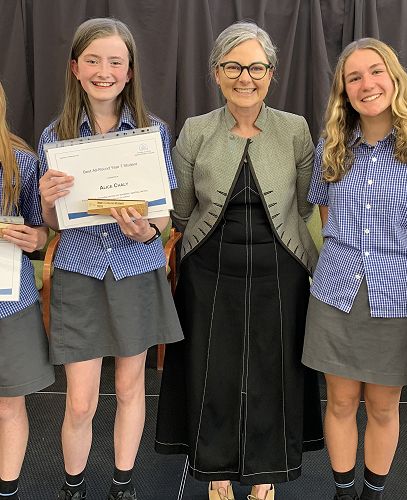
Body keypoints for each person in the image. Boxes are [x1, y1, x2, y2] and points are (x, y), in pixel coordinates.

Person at [155, 21, 323, 500]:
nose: (244, 76)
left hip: (280, 268)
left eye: (255, 66)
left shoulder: (295, 129)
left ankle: (266, 469)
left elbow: (306, 205)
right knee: (214, 370)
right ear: (216, 72)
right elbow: (182, 210)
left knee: (274, 369)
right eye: (233, 65)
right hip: (208, 270)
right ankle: (216, 472)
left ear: (271, 73)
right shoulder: (196, 131)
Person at [37, 18, 183, 500]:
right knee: (79, 402)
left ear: (130, 71)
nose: (105, 71)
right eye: (94, 61)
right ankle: (72, 488)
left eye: (115, 62)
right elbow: (54, 225)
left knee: (129, 388)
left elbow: (164, 216)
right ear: (75, 68)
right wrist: (46, 198)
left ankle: (123, 486)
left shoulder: (152, 133)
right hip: (80, 274)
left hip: (136, 271)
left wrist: (148, 230)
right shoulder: (53, 137)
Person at [302, 38, 407, 500]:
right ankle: (344, 492)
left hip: (396, 298)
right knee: (341, 401)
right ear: (344, 90)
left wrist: (400, 268)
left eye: (375, 71)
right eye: (354, 77)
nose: (367, 84)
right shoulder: (332, 145)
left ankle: (372, 494)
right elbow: (327, 220)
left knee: (383, 408)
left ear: (395, 78)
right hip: (336, 294)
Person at [0, 80, 55, 500]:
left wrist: (32, 239)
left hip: (8, 301)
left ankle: (8, 490)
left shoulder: (19, 160)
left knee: (8, 403)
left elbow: (42, 235)